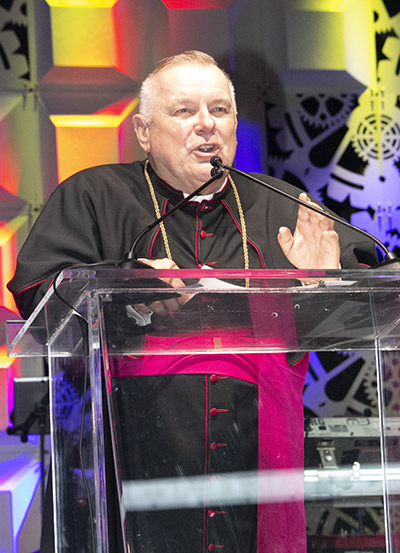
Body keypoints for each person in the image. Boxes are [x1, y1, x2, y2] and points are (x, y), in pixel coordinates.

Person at [8, 51, 377, 553]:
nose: (207, 125)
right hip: (128, 453)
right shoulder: (94, 196)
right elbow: (37, 295)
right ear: (142, 131)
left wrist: (324, 283)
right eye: (184, 111)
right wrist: (130, 286)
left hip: (256, 464)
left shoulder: (283, 205)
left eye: (220, 110)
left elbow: (371, 300)